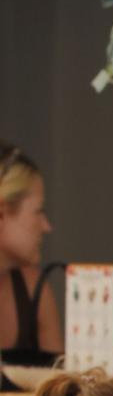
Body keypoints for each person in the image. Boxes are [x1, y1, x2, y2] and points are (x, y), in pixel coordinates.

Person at [0, 142, 59, 368]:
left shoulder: (34, 289)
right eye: (38, 211)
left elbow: (59, 395)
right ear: (2, 214)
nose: (46, 226)